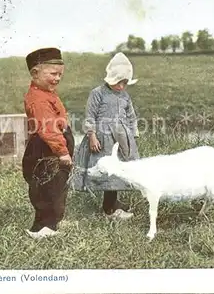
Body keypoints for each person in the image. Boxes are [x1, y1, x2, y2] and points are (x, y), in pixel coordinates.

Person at [71, 52, 139, 219]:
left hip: (121, 138)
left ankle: (113, 201)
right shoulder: (98, 93)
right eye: (118, 82)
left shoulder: (124, 96)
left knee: (119, 171)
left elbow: (131, 115)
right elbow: (90, 115)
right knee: (108, 170)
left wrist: (133, 135)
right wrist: (92, 135)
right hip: (104, 138)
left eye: (125, 83)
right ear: (111, 78)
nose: (121, 87)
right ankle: (109, 209)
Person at [21, 47, 75, 239]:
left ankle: (52, 222)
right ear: (35, 73)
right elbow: (49, 129)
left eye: (60, 74)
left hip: (52, 146)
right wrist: (62, 151)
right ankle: (44, 228)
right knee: (47, 186)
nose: (58, 78)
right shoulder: (38, 100)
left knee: (58, 184)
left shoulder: (47, 93)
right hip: (46, 149)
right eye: (53, 74)